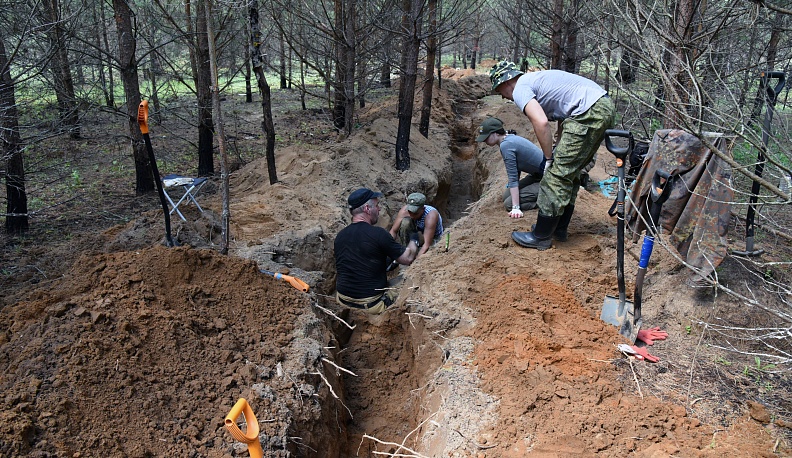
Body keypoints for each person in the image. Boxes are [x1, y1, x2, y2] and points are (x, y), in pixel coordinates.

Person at [489, 61, 616, 250]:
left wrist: (549, 158)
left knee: (555, 175)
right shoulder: (535, 80)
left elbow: (540, 123)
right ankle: (557, 229)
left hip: (589, 112)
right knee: (570, 173)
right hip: (600, 106)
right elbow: (563, 115)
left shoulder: (520, 89)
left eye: (500, 92)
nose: (503, 97)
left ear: (505, 82)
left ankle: (541, 236)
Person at [335, 188, 419, 314]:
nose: (379, 209)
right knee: (414, 279)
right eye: (377, 205)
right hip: (371, 304)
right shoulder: (378, 234)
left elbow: (361, 261)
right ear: (367, 209)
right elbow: (407, 258)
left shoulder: (340, 236)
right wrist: (414, 239)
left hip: (342, 299)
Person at [476, 117, 545, 218]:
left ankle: (547, 201)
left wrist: (516, 208)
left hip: (550, 179)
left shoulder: (506, 145)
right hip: (538, 175)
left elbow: (513, 178)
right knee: (506, 196)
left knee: (509, 204)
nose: (484, 140)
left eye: (486, 137)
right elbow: (516, 170)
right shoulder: (509, 139)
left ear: (496, 133)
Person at [389, 192, 444, 258]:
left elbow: (426, 244)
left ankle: (412, 254)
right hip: (417, 233)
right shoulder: (404, 211)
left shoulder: (431, 216)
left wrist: (415, 263)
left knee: (428, 252)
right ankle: (406, 250)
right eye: (410, 212)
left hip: (432, 238)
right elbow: (393, 231)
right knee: (405, 223)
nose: (412, 215)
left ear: (423, 209)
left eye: (415, 213)